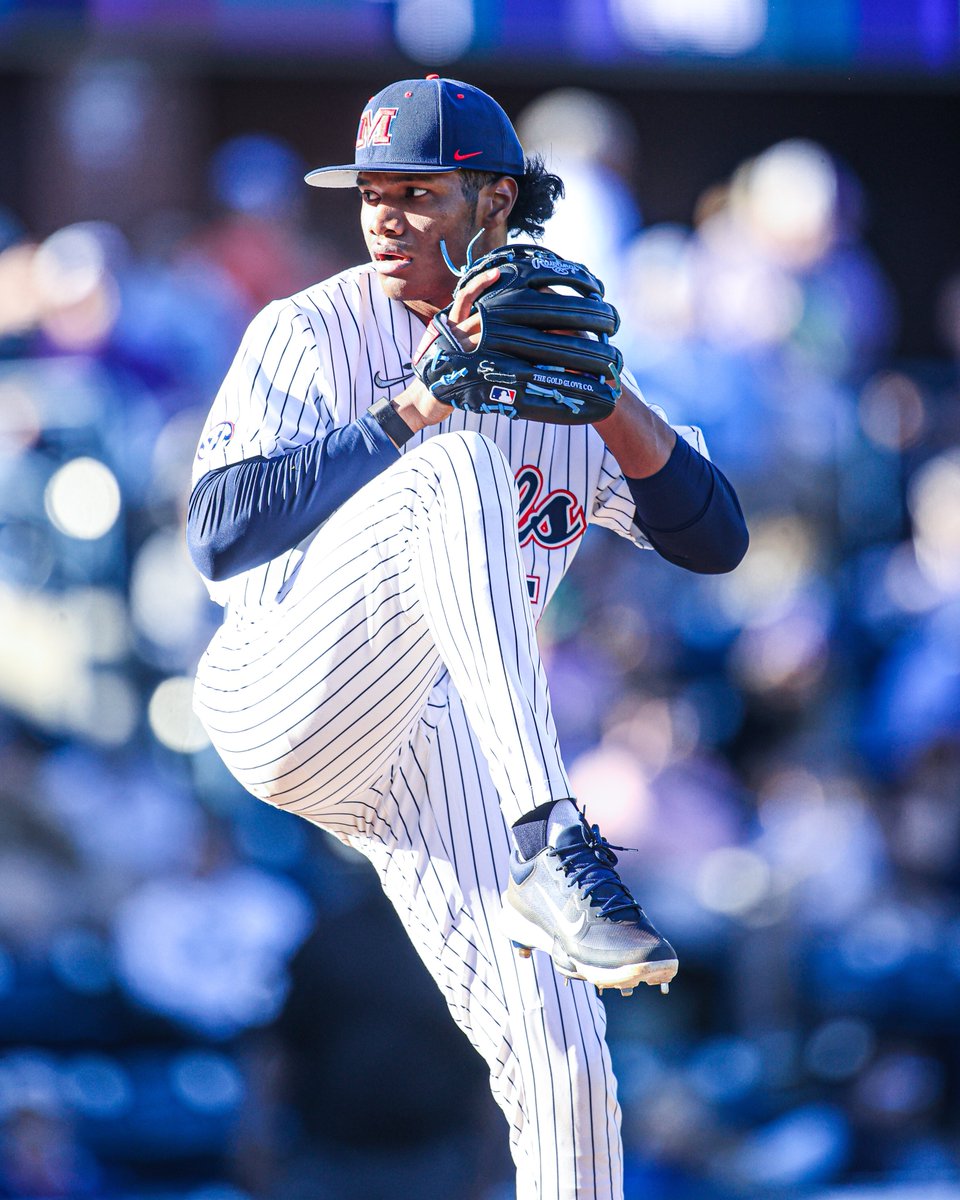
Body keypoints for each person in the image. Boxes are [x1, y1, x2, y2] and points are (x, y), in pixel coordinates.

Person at [187, 74, 748, 1200]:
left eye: (417, 194)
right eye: (370, 194)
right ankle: (554, 842)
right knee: (450, 468)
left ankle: (551, 876)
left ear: (495, 202)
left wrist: (613, 404)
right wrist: (414, 410)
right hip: (285, 686)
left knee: (566, 1058)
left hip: (436, 746)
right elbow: (219, 534)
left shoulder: (558, 354)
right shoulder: (313, 329)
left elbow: (717, 539)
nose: (384, 219)